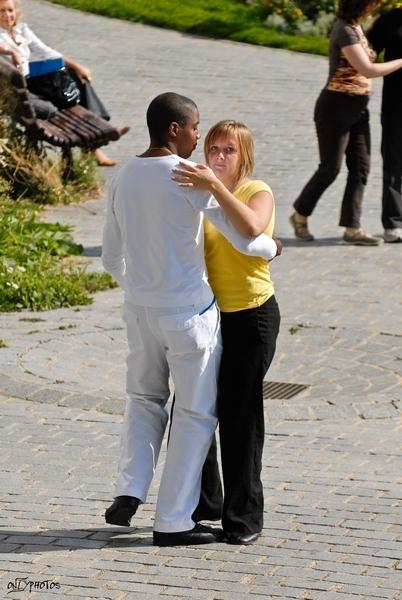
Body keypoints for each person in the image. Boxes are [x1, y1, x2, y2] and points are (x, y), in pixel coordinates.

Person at [101, 92, 280, 547]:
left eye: (224, 146)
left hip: (169, 312)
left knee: (153, 400)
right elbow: (248, 240)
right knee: (194, 415)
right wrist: (272, 248)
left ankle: (137, 489)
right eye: (200, 131)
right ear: (176, 130)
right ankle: (175, 519)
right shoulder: (187, 180)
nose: (205, 142)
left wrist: (142, 289)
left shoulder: (124, 176)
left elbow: (110, 257)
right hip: (190, 314)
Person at [171, 120, 280, 545]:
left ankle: (244, 517)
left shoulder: (257, 191)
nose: (217, 157)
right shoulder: (201, 190)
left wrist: (216, 187)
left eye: (228, 151)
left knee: (239, 415)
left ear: (244, 156)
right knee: (193, 408)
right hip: (206, 316)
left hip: (251, 316)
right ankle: (205, 504)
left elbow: (252, 228)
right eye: (213, 148)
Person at [289, 0, 402, 246]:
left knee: (361, 168)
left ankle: (353, 228)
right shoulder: (345, 30)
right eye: (372, 3)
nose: (376, 6)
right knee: (331, 168)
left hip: (359, 107)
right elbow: (368, 69)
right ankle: (300, 213)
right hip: (336, 107)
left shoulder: (358, 28)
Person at [0, 0, 129, 166]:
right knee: (58, 100)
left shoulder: (21, 31)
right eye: (1, 11)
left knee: (75, 78)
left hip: (31, 81)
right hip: (20, 90)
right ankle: (96, 140)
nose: (7, 15)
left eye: (10, 10)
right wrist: (10, 51)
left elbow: (48, 53)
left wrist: (77, 66)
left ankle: (99, 130)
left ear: (16, 11)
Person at [367, 8, 402, 243]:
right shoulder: (391, 20)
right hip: (396, 105)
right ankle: (394, 223)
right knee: (394, 164)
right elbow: (366, 52)